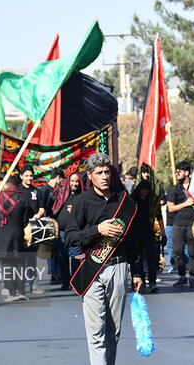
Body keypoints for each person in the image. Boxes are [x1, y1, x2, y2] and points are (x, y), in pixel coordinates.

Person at [65, 153, 142, 365]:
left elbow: (134, 240)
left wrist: (137, 271)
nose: (104, 176)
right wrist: (97, 230)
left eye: (107, 171)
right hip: (92, 269)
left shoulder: (124, 201)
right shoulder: (81, 202)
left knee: (113, 331)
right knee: (96, 331)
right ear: (90, 176)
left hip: (119, 268)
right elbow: (70, 238)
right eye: (99, 173)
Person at [0, 175, 32, 301]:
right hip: (17, 234)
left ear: (6, 184)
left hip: (1, 235)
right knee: (19, 263)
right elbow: (25, 221)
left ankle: (12, 293)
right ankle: (21, 291)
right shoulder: (22, 198)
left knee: (7, 265)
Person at [168, 161, 194, 288]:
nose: (176, 173)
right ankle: (182, 276)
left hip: (193, 224)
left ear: (186, 173)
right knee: (177, 251)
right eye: (176, 171)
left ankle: (192, 276)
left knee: (193, 251)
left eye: (179, 171)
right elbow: (171, 208)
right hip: (178, 224)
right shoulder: (174, 189)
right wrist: (186, 204)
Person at [51, 172, 85, 286]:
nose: (74, 184)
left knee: (76, 257)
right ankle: (65, 281)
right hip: (61, 232)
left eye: (76, 181)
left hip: (75, 232)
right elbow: (54, 208)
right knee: (62, 257)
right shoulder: (63, 194)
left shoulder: (82, 197)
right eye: (72, 181)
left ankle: (75, 282)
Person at [131, 180, 165, 292]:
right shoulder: (132, 200)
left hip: (149, 231)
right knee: (137, 257)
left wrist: (163, 234)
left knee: (152, 257)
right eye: (142, 191)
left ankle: (152, 281)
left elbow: (159, 217)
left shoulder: (154, 201)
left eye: (146, 191)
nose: (144, 193)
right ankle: (139, 279)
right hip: (135, 232)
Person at [18, 165, 45, 295]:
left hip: (34, 229)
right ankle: (19, 286)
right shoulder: (17, 191)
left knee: (32, 258)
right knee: (20, 258)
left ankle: (34, 285)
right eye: (26, 176)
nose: (29, 178)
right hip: (20, 228)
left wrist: (38, 215)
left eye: (30, 176)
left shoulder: (37, 191)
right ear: (21, 177)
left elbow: (42, 208)